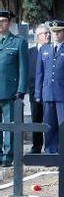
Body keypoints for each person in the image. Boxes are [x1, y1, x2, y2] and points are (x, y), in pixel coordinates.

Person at [35, 20, 64, 154]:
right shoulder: (44, 49)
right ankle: (50, 152)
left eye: (59, 31)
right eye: (54, 31)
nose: (55, 34)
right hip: (48, 92)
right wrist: (38, 93)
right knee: (49, 125)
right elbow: (39, 73)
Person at [0, 10, 28, 167]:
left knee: (10, 125)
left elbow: (23, 68)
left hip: (10, 91)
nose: (0, 24)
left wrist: (21, 89)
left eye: (3, 20)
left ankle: (8, 156)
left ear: (9, 23)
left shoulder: (19, 42)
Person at [27, 25, 50, 154]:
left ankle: (50, 147)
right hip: (34, 91)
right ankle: (36, 146)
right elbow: (28, 71)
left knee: (49, 119)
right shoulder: (30, 52)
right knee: (36, 119)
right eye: (44, 33)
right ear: (37, 37)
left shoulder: (53, 50)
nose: (48, 35)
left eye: (48, 33)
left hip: (49, 91)